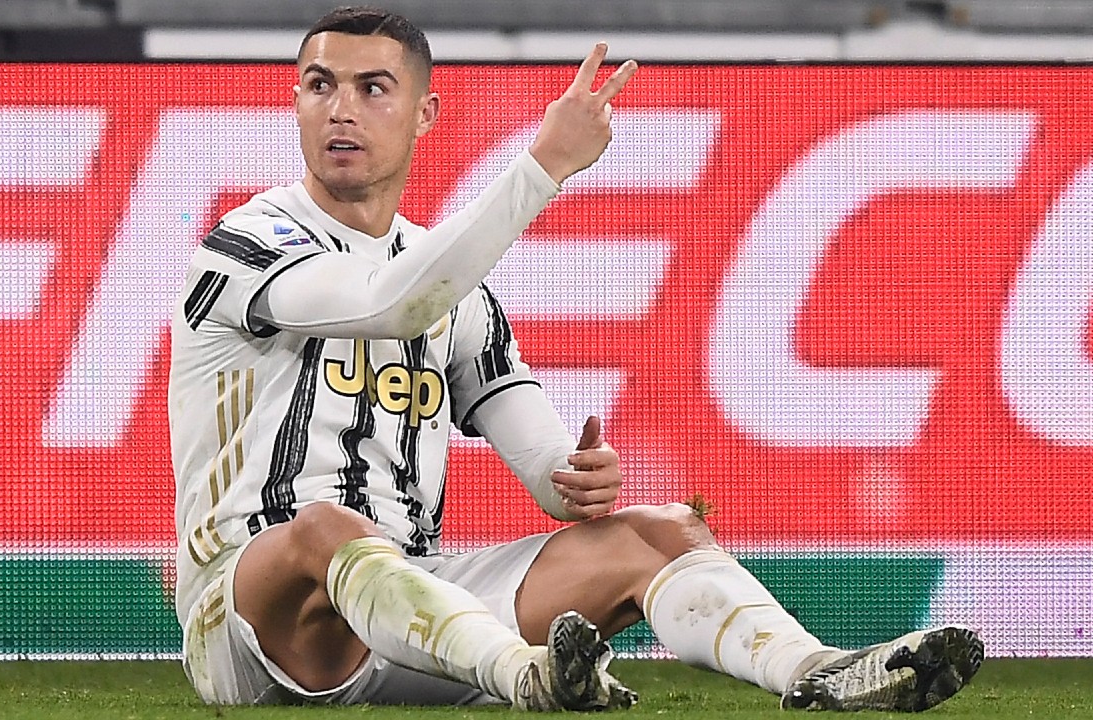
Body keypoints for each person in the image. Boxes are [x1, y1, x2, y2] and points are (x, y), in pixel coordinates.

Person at [167, 5, 983, 712]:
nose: (340, 108)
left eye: (372, 87)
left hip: (413, 621)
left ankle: (818, 672)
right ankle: (528, 677)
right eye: (319, 85)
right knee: (322, 527)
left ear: (423, 113)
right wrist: (544, 164)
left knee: (660, 533)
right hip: (247, 626)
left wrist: (579, 474)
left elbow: (546, 469)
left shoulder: (460, 289)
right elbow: (394, 301)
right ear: (297, 102)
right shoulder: (248, 243)